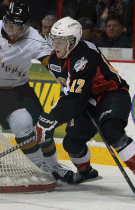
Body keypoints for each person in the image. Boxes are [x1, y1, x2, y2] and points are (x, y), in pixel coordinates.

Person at [0, 1, 75, 183]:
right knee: (22, 121)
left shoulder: (35, 39)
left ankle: (53, 166)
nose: (15, 32)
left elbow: (52, 64)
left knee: (43, 128)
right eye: (11, 25)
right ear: (4, 21)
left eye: (21, 28)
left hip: (21, 88)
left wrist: (70, 82)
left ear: (28, 26)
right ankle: (39, 168)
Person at [36, 16, 135, 184]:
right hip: (86, 100)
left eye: (61, 41)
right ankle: (86, 172)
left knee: (112, 130)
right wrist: (51, 116)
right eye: (55, 40)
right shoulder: (55, 59)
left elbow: (75, 99)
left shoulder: (84, 55)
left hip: (111, 94)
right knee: (72, 143)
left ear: (73, 41)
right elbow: (68, 92)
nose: (56, 45)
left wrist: (53, 119)